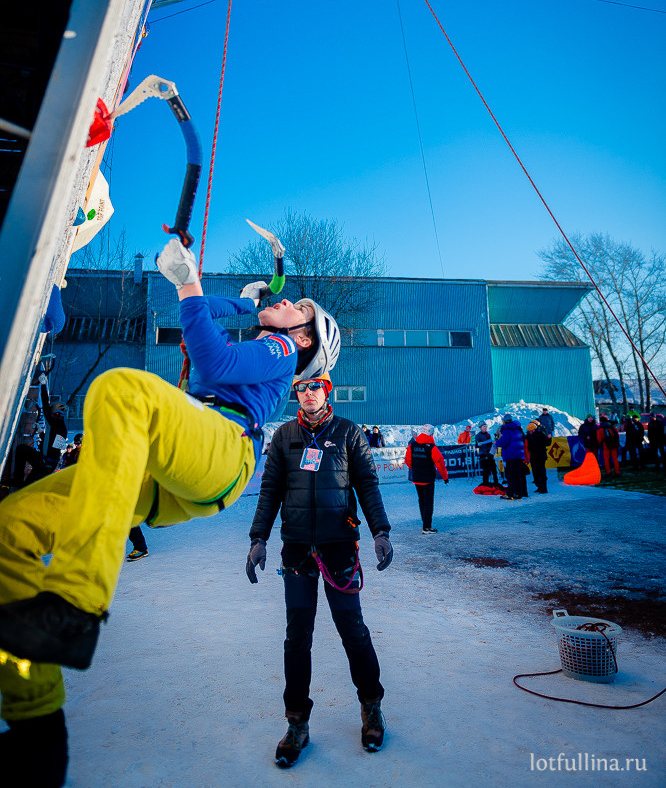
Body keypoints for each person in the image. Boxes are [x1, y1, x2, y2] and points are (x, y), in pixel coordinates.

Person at [0, 237, 340, 788]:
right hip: (179, 471)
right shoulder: (271, 336)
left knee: (122, 391)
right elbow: (203, 319)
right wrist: (241, 301)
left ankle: (74, 601)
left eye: (299, 308)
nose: (290, 301)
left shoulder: (280, 353)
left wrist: (188, 284)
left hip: (224, 450)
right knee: (10, 528)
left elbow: (212, 355)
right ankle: (37, 724)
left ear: (303, 338)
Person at [246, 372, 392, 767]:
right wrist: (258, 537)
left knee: (353, 629)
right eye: (301, 388)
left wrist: (380, 530)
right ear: (296, 393)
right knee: (297, 637)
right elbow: (270, 490)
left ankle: (371, 707)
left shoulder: (348, 433)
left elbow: (368, 486)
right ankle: (297, 724)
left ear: (326, 390)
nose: (308, 394)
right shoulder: (284, 437)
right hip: (296, 551)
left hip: (339, 547)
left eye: (315, 387)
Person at [404, 429, 448, 532]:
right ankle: (427, 527)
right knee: (428, 502)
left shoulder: (412, 445)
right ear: (431, 434)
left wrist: (415, 469)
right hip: (428, 479)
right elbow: (440, 462)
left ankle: (425, 524)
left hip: (417, 478)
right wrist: (445, 477)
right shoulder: (431, 447)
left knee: (422, 501)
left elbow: (407, 461)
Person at [497, 415, 527, 501]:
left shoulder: (507, 430)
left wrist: (497, 442)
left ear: (504, 421)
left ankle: (510, 494)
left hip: (510, 456)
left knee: (510, 475)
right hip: (519, 456)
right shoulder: (518, 430)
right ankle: (518, 494)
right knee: (517, 475)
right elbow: (523, 440)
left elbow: (504, 442)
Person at [525, 421, 548, 493]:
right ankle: (539, 486)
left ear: (534, 430)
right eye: (529, 431)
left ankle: (543, 488)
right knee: (535, 473)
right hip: (533, 457)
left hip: (540, 456)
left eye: (531, 431)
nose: (530, 432)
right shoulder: (528, 436)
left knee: (541, 472)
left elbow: (547, 443)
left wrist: (549, 438)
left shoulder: (541, 434)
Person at [597, 413, 620, 477]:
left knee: (606, 459)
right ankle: (617, 472)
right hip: (614, 445)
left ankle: (608, 472)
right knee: (615, 459)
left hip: (605, 445)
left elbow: (599, 438)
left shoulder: (601, 429)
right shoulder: (612, 427)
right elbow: (617, 435)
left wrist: (599, 444)